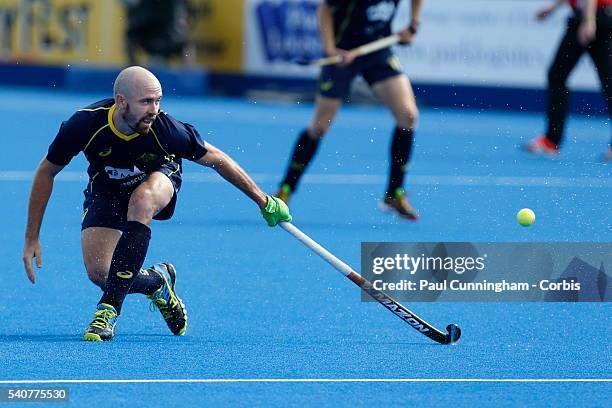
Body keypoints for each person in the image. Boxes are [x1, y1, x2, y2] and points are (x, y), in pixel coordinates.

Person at [22, 66, 291, 342]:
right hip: (107, 188)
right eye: (146, 102)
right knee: (100, 273)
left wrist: (263, 200)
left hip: (159, 176)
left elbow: (218, 159)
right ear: (121, 101)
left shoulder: (167, 130)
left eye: (158, 100)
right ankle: (157, 281)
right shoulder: (84, 125)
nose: (154, 109)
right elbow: (47, 171)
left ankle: (108, 311)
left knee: (142, 200)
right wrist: (32, 236)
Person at [276, 0, 424, 220]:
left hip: (378, 50)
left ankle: (394, 193)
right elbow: (325, 8)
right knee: (319, 127)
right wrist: (329, 48)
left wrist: (413, 25)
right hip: (342, 52)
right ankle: (285, 189)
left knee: (408, 116)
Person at [523, 0, 611, 160]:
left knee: (559, 75)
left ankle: (551, 140)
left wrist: (588, 20)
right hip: (590, 16)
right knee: (558, 75)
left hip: (596, 18)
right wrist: (553, 8)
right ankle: (551, 140)